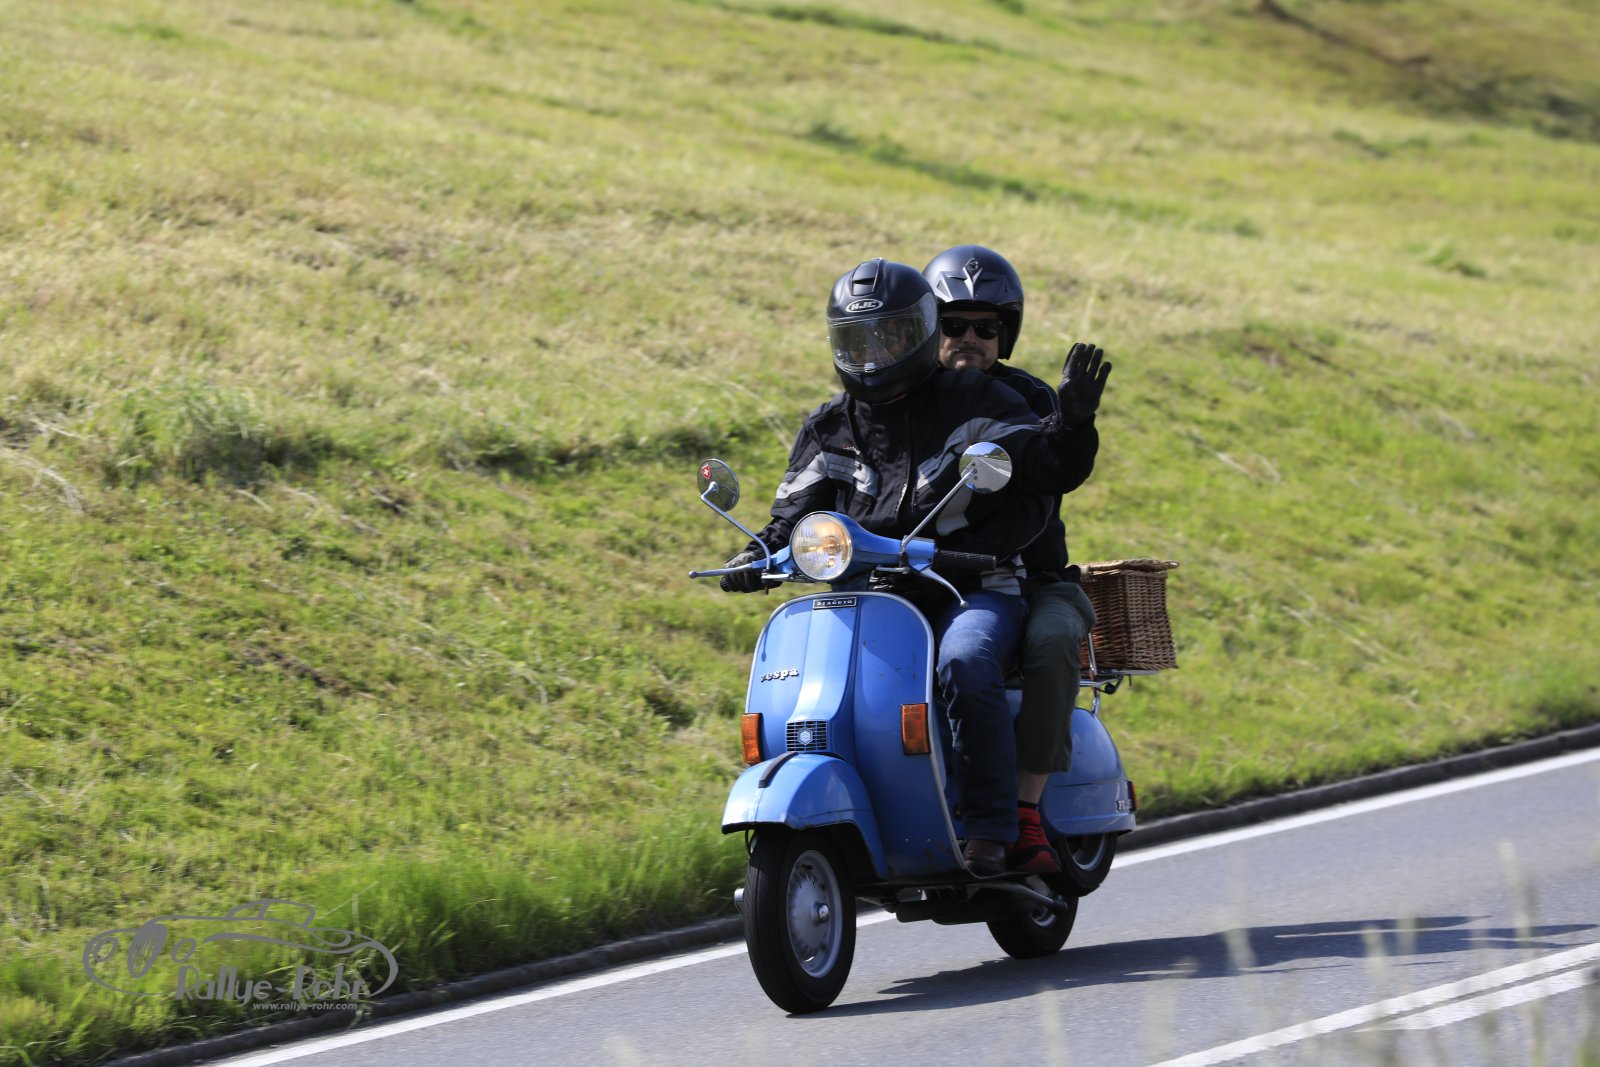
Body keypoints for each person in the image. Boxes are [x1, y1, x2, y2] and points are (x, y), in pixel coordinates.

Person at [719, 257, 1096, 875]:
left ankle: (992, 827)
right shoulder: (830, 424)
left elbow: (1045, 468)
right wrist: (753, 556)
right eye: (857, 340)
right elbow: (790, 516)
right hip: (871, 592)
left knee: (965, 661)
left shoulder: (980, 400)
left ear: (918, 332)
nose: (873, 355)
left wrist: (1074, 426)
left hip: (971, 585)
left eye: (888, 337)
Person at [923, 244, 1110, 873]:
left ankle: (1025, 807)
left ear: (1007, 334)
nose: (969, 339)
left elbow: (1057, 467)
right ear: (927, 327)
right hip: (929, 577)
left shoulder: (1026, 397)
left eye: (986, 328)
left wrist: (1074, 422)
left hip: (1031, 579)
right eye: (954, 324)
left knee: (1053, 639)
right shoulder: (906, 399)